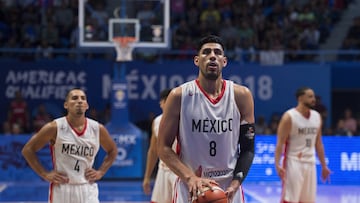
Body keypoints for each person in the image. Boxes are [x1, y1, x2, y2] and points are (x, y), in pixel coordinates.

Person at [157, 35, 255, 203]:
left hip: (229, 187)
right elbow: (163, 147)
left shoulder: (241, 96)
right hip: (192, 185)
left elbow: (248, 148)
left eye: (217, 52)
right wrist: (189, 178)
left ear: (224, 61)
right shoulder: (179, 96)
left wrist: (236, 182)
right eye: (206, 52)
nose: (212, 56)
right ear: (196, 60)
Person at [22, 88, 118, 203]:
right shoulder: (54, 127)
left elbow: (112, 150)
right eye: (74, 98)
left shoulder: (97, 128)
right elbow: (28, 150)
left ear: (86, 105)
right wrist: (44, 174)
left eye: (83, 98)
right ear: (66, 105)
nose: (79, 101)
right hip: (62, 188)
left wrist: (101, 172)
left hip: (87, 188)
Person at [275, 87, 332, 203]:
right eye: (310, 96)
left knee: (308, 200)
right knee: (290, 199)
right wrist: (277, 164)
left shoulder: (317, 116)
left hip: (310, 162)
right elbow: (280, 143)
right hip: (293, 162)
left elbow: (319, 143)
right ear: (300, 98)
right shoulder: (289, 117)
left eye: (314, 96)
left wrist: (324, 166)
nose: (314, 99)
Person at [142, 88, 177, 203]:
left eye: (162, 102)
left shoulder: (184, 119)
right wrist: (147, 177)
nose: (161, 105)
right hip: (163, 170)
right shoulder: (157, 121)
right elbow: (153, 151)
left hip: (179, 172)